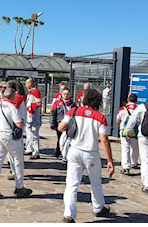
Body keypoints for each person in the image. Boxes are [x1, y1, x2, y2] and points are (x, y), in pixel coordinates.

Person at [58, 88, 114, 223]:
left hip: (74, 150)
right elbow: (104, 139)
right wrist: (110, 160)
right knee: (95, 182)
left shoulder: (74, 111)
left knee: (72, 183)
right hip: (91, 153)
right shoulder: (100, 117)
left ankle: (69, 215)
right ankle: (98, 207)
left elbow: (61, 127)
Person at [0, 88, 33, 199]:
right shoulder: (12, 107)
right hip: (10, 137)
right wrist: (22, 121)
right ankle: (19, 187)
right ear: (13, 96)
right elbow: (19, 124)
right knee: (18, 161)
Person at [116, 94, 140, 175]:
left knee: (125, 148)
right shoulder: (139, 109)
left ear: (127, 100)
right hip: (135, 130)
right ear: (136, 100)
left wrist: (121, 128)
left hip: (124, 130)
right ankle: (134, 162)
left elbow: (118, 120)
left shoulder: (122, 109)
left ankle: (126, 167)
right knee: (135, 147)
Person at [50, 87, 75, 160]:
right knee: (60, 138)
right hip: (60, 123)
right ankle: (58, 152)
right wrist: (52, 124)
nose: (66, 95)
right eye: (64, 94)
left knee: (68, 139)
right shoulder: (57, 103)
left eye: (67, 94)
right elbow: (53, 114)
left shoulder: (73, 104)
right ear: (61, 94)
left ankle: (65, 154)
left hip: (69, 124)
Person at [24, 78, 42, 159]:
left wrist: (31, 106)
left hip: (34, 117)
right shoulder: (30, 92)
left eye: (27, 83)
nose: (26, 85)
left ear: (31, 84)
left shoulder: (36, 92)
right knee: (29, 134)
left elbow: (39, 103)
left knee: (34, 135)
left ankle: (36, 152)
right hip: (29, 117)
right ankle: (29, 148)